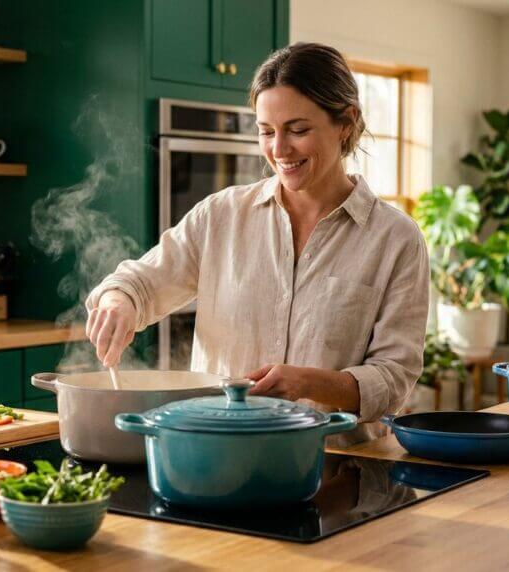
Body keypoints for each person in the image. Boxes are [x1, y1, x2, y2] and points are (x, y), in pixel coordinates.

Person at [84, 42, 429, 446]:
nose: (279, 150)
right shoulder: (220, 215)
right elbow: (140, 283)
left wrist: (308, 383)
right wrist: (119, 302)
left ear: (346, 123)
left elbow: (394, 377)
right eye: (266, 131)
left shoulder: (395, 240)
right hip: (214, 457)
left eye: (298, 130)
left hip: (335, 467)